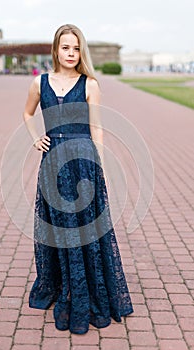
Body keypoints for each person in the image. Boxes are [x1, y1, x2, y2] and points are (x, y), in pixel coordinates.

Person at [23, 23, 133, 335]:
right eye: (65, 47)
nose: (71, 53)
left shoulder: (90, 84)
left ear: (80, 51)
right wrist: (34, 138)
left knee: (84, 228)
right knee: (58, 227)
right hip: (52, 161)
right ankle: (62, 285)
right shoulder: (39, 83)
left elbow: (96, 127)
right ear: (55, 49)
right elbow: (28, 114)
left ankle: (86, 292)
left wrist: (98, 164)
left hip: (82, 163)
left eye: (75, 48)